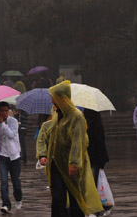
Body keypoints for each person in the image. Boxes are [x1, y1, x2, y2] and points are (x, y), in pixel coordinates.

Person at [41, 81, 102, 217]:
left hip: (71, 166)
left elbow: (78, 141)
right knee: (57, 199)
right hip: (56, 164)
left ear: (62, 98)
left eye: (54, 98)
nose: (52, 101)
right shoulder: (57, 114)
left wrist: (74, 163)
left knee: (75, 198)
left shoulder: (76, 116)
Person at [0, 102, 22, 212]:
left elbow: (11, 134)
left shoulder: (13, 122)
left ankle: (18, 198)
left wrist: (3, 124)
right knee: (4, 181)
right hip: (2, 156)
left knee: (16, 182)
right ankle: (6, 204)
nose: (4, 113)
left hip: (14, 156)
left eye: (6, 110)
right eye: (2, 111)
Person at [83, 109, 109, 191]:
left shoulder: (89, 126)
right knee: (95, 180)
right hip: (98, 157)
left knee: (92, 181)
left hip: (92, 157)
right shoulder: (99, 124)